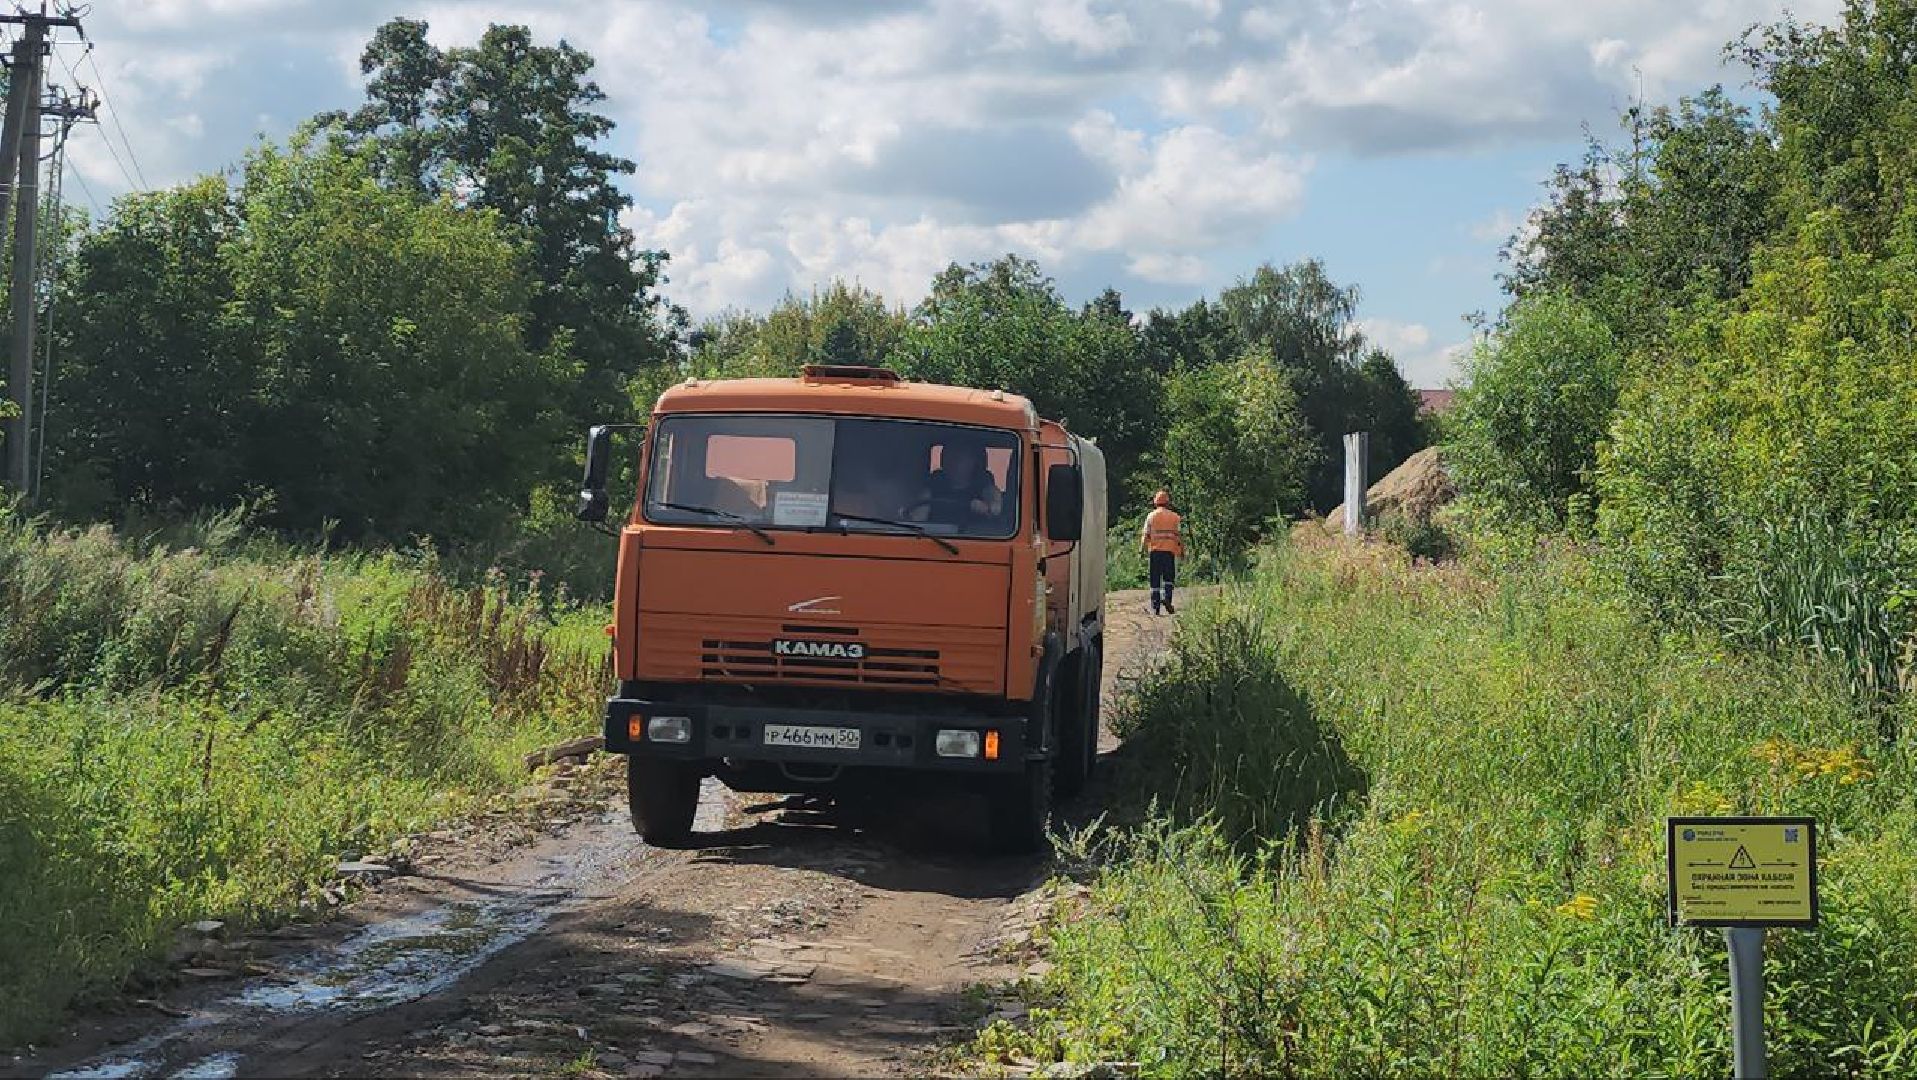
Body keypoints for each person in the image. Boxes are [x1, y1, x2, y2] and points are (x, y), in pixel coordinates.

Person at [914, 438, 1003, 526]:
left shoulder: (982, 483)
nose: (954, 461)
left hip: (975, 538)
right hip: (933, 537)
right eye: (949, 454)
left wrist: (990, 507)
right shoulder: (934, 483)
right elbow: (918, 517)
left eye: (961, 456)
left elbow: (993, 498)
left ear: (974, 461)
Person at [1140, 489, 1185, 615]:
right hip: (1169, 552)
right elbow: (1179, 536)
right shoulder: (1175, 517)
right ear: (1167, 502)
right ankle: (1167, 599)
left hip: (1155, 552)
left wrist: (1141, 550)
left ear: (1156, 502)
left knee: (1155, 580)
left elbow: (1146, 534)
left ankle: (1155, 607)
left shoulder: (1151, 516)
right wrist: (1182, 551)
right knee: (1168, 578)